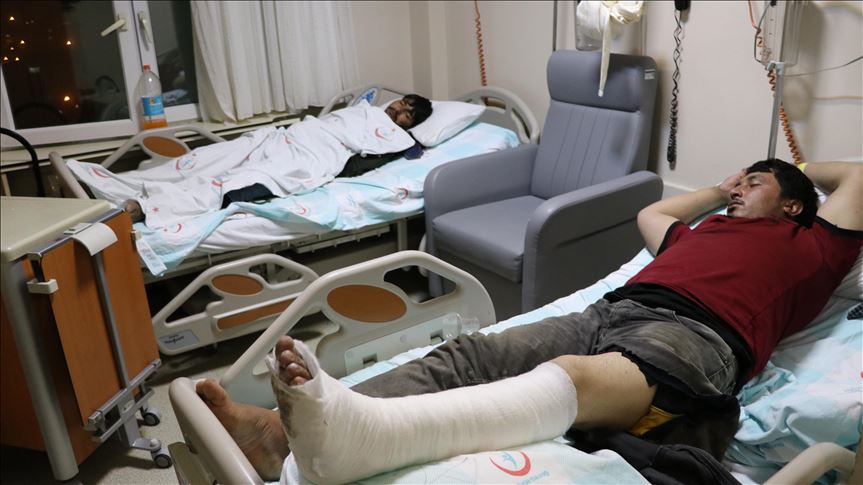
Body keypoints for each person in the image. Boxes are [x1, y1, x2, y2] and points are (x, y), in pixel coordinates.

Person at [196, 160, 862, 482]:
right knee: (466, 356)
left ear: (796, 206)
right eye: (737, 181)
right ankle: (279, 434)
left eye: (754, 182)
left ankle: (360, 441)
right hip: (612, 309)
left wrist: (798, 168)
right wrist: (721, 191)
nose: (737, 188)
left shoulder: (812, 247)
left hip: (692, 340)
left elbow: (857, 174)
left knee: (571, 378)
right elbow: (652, 215)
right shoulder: (701, 232)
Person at [122, 94, 432, 222]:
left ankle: (148, 207)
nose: (398, 110)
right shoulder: (364, 109)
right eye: (402, 102)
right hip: (283, 137)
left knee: (234, 182)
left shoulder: (397, 138)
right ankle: (126, 183)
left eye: (407, 114)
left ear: (410, 124)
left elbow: (403, 152)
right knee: (210, 156)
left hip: (307, 158)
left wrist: (410, 141)